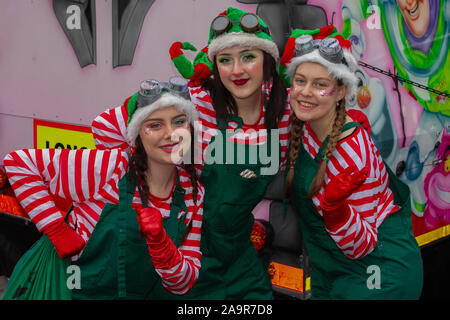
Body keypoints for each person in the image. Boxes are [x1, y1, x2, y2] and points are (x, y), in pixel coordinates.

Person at [92, 7, 291, 299]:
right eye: (225, 60)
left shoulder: (283, 112)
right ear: (214, 66)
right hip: (189, 253)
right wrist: (151, 186)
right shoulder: (195, 102)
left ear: (267, 59)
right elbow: (105, 129)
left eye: (248, 57)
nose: (236, 70)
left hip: (239, 257)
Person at [3, 77, 204, 299]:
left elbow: (183, 285)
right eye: (155, 125)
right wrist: (57, 229)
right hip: (73, 293)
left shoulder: (192, 193)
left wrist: (161, 244)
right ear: (136, 136)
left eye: (179, 121)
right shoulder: (111, 169)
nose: (170, 134)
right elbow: (19, 163)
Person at [281, 25, 423, 299]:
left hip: (378, 275)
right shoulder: (306, 119)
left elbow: (361, 246)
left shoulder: (353, 157)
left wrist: (336, 211)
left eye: (320, 85)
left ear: (340, 91)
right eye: (300, 81)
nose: (305, 92)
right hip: (332, 270)